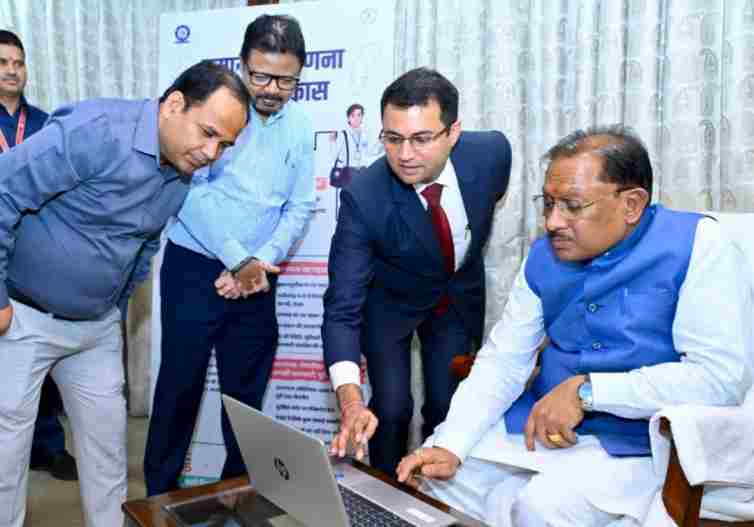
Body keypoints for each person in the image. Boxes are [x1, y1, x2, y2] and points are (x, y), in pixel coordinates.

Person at [394, 125, 751, 527]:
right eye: (548, 203)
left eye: (572, 206)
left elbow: (719, 378)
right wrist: (452, 443)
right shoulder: (544, 256)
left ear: (632, 204)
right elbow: (504, 361)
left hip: (642, 445)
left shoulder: (700, 245)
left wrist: (588, 392)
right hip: (539, 428)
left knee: (540, 507)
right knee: (435, 483)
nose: (552, 222)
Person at [0, 60, 249, 527]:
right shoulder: (95, 130)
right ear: (174, 104)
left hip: (95, 330)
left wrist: (113, 307)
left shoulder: (182, 170)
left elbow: (145, 244)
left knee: (108, 459)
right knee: (6, 460)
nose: (211, 153)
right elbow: (3, 190)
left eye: (225, 145)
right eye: (208, 133)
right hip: (23, 317)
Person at [144, 14, 315, 496]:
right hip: (194, 267)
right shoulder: (216, 113)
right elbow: (189, 191)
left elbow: (299, 205)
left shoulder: (300, 126)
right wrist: (237, 259)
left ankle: (237, 497)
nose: (272, 90)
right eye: (260, 76)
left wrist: (258, 262)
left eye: (286, 80)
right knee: (179, 386)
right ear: (242, 64)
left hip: (259, 274)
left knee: (246, 398)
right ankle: (159, 498)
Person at [322, 67, 512, 476]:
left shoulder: (491, 154)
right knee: (390, 410)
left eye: (421, 139)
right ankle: (384, 492)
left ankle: (437, 495)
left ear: (453, 132)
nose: (405, 155)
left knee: (449, 407)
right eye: (393, 139)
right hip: (390, 303)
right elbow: (341, 308)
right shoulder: (365, 197)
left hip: (454, 298)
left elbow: (488, 199)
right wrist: (351, 402)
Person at [0, 28, 78, 482]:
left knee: (40, 352)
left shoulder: (49, 125)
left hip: (35, 253)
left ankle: (47, 445)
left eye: (18, 62)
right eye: (2, 62)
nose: (12, 70)